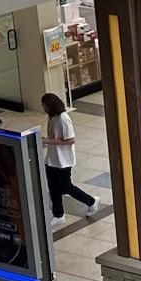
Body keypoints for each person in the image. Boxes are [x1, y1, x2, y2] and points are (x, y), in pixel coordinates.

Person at [40, 94, 100, 227]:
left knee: (66, 187)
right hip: (52, 159)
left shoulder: (63, 119)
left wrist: (48, 141)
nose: (44, 108)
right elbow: (53, 136)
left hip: (63, 161)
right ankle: (58, 214)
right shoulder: (52, 117)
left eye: (45, 106)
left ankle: (90, 201)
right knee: (53, 188)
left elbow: (70, 140)